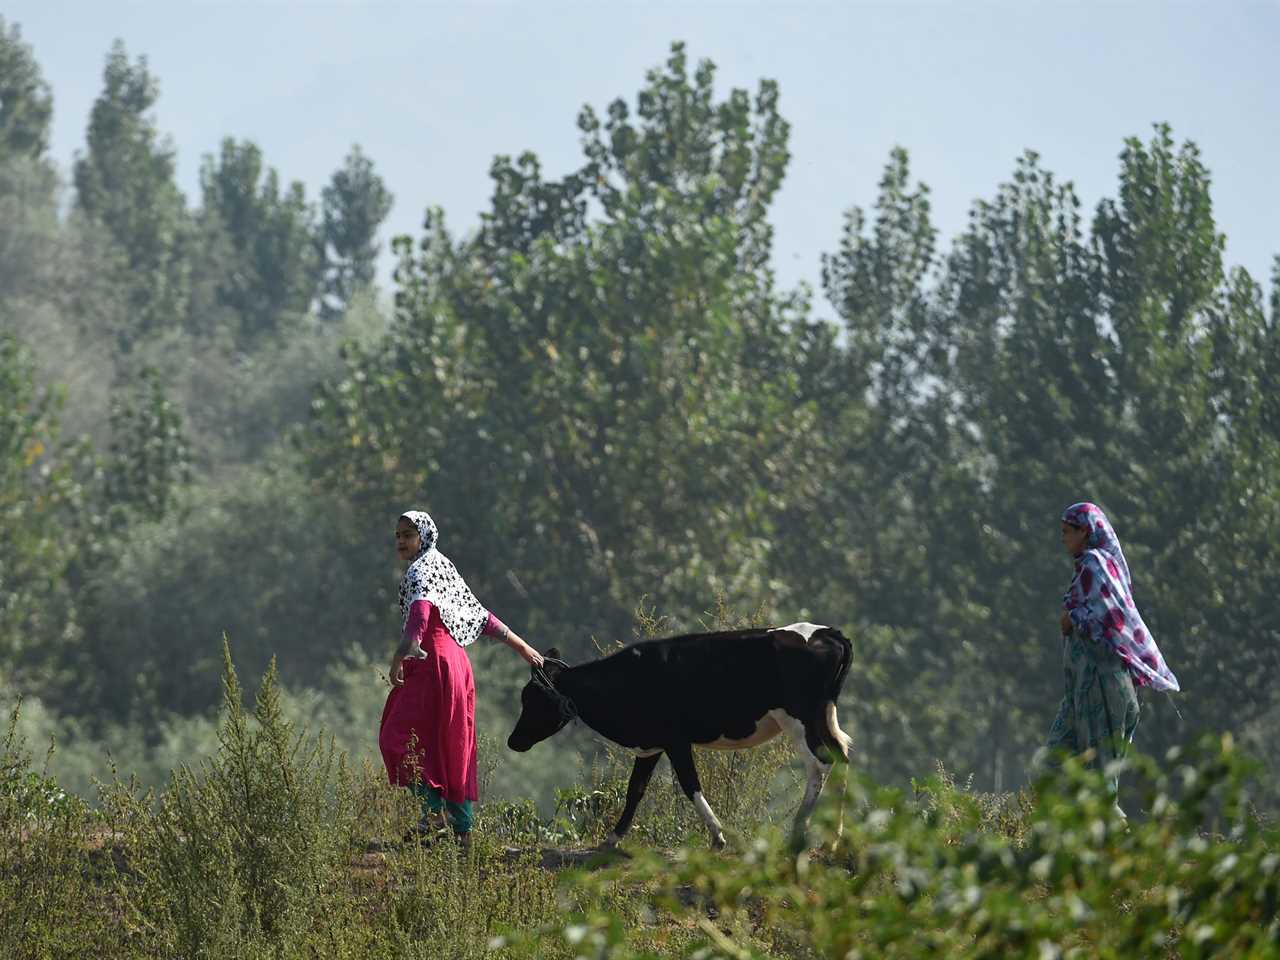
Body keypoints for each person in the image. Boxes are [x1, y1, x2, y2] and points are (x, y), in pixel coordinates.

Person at [379, 509, 543, 844]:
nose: (401, 541)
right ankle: (461, 828)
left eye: (408, 535)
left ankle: (434, 814)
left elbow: (420, 618)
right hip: (456, 665)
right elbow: (483, 618)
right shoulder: (443, 567)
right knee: (452, 742)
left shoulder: (421, 572)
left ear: (424, 537)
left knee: (395, 736)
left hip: (431, 664)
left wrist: (398, 659)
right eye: (398, 535)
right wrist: (522, 647)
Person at [1045, 501, 1179, 816]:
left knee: (1101, 787)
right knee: (1051, 765)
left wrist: (1070, 616)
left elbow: (1094, 616)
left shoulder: (1095, 565)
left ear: (1085, 531)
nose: (1063, 538)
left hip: (1101, 688)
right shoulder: (1089, 566)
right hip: (1081, 691)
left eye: (1068, 532)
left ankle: (1112, 851)